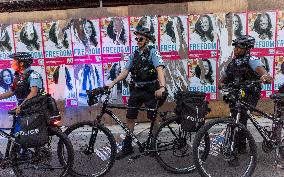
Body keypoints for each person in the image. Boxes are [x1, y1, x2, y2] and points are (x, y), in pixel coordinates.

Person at [107, 27, 166, 159]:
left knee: (153, 117)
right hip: (137, 90)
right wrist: (112, 83)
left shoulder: (153, 52)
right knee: (130, 118)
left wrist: (162, 87)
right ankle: (127, 147)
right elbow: (125, 72)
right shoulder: (134, 54)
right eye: (136, 38)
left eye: (140, 39)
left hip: (151, 90)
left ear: (147, 40)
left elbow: (160, 69)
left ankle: (154, 143)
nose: (138, 41)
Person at [219, 35, 273, 165]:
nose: (236, 50)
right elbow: (222, 80)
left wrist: (265, 77)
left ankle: (239, 146)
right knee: (234, 120)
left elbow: (265, 74)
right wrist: (221, 85)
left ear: (247, 49)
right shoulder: (233, 63)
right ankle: (238, 145)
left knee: (241, 118)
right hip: (235, 95)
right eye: (235, 47)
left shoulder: (252, 60)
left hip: (249, 95)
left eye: (239, 47)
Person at [0, 52, 44, 134]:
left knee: (21, 137)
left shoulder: (34, 75)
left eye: (14, 61)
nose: (12, 63)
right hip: (22, 110)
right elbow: (12, 92)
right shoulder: (18, 77)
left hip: (32, 110)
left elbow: (33, 93)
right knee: (16, 136)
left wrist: (21, 106)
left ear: (21, 63)